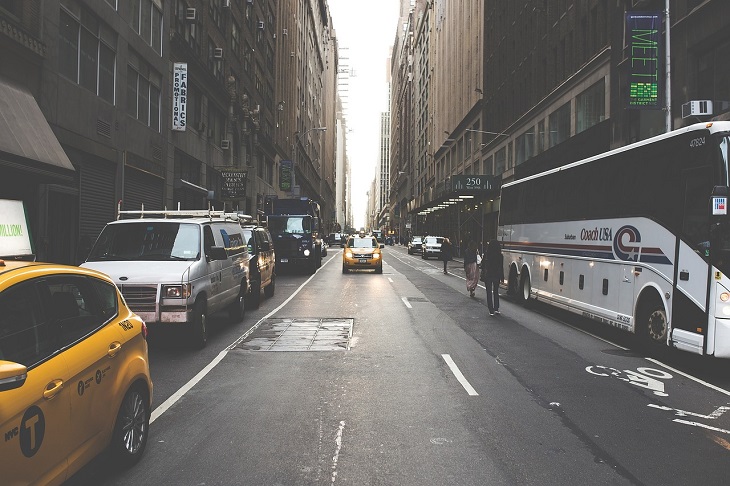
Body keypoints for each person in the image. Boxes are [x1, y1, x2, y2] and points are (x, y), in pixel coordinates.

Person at [482, 239, 504, 316]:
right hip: (496, 274)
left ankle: (491, 310)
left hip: (488, 274)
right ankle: (496, 308)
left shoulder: (487, 254)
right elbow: (501, 267)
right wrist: (502, 277)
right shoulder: (500, 256)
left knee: (488, 292)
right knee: (496, 291)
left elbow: (483, 264)